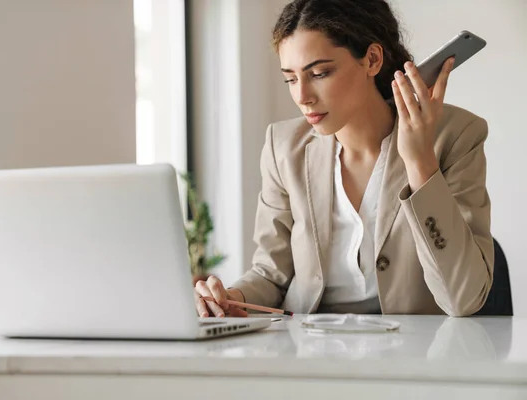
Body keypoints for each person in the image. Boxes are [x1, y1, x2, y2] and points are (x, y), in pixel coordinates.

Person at [194, 0, 493, 318]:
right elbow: (272, 275)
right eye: (291, 79)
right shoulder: (284, 148)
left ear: (372, 60)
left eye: (319, 73)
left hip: (414, 354)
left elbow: (464, 299)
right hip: (309, 351)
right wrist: (230, 298)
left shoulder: (456, 136)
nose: (302, 96)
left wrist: (421, 164)